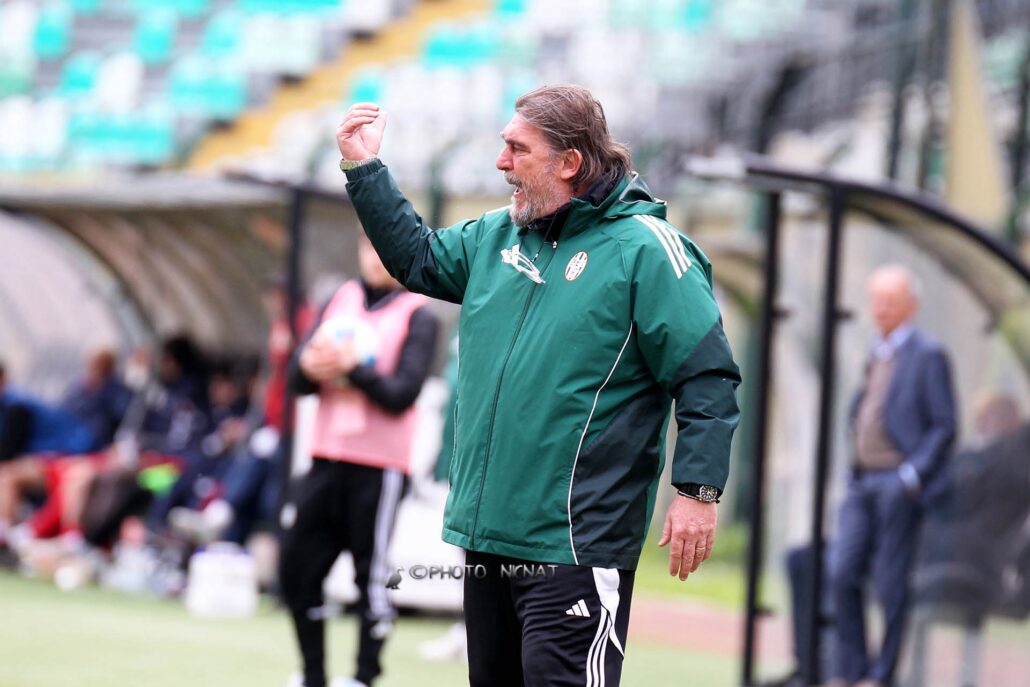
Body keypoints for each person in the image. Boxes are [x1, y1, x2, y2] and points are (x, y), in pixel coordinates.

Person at [336, 84, 741, 686]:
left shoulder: (649, 251)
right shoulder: (495, 235)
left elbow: (706, 377)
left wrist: (698, 493)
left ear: (569, 162)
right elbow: (416, 257)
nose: (501, 162)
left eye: (518, 149)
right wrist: (364, 168)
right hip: (488, 537)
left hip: (575, 542)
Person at [279, 237, 439, 687]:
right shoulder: (339, 300)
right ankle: (312, 674)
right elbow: (297, 378)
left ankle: (363, 677)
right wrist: (309, 367)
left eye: (384, 249)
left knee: (371, 578)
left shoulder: (418, 313)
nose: (375, 258)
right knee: (296, 568)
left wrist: (352, 367)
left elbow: (402, 394)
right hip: (326, 458)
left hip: (380, 467)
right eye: (369, 248)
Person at [828, 265, 957, 687]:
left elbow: (944, 426)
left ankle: (882, 676)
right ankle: (855, 671)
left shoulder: (928, 354)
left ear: (910, 306)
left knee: (890, 582)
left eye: (890, 302)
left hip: (897, 483)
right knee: (842, 572)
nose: (880, 309)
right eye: (876, 301)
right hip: (862, 480)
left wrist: (911, 475)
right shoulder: (876, 350)